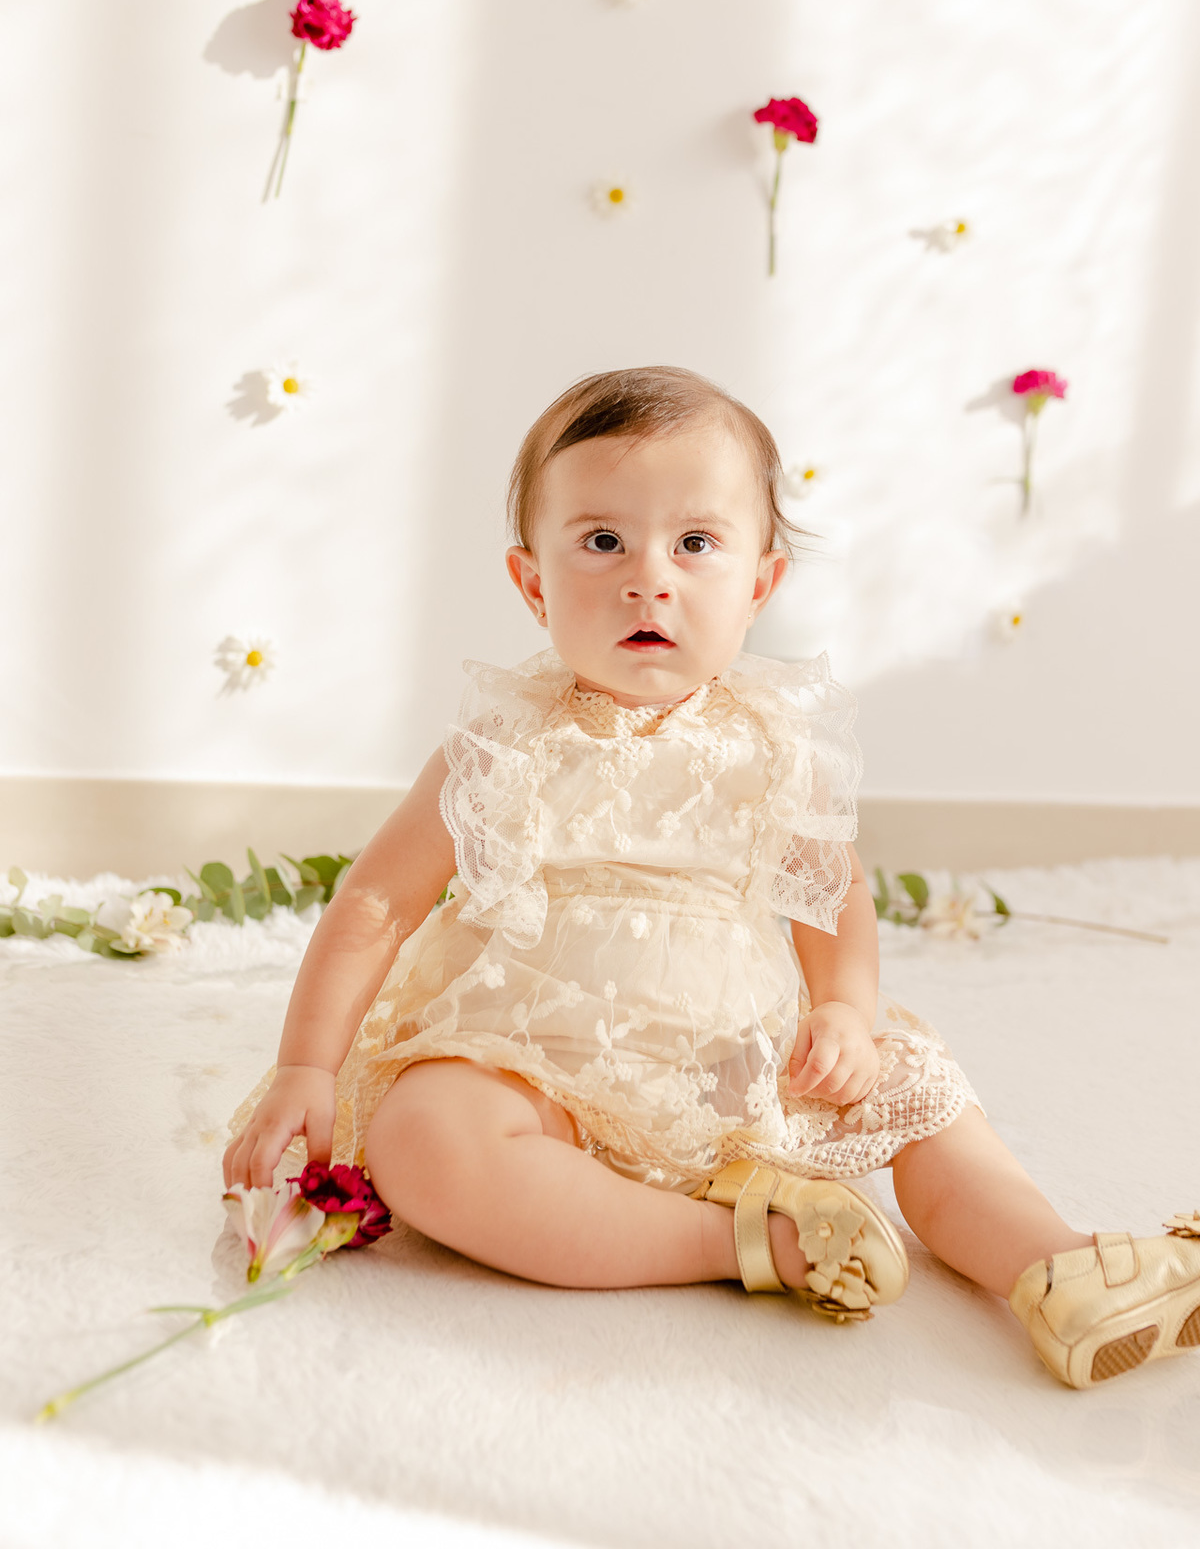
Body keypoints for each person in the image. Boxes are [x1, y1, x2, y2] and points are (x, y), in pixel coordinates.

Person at [224, 365, 1200, 1389]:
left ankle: (1055, 1269)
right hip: (539, 1063)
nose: (649, 580)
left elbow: (833, 895)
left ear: (759, 587)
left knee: (924, 1099)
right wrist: (307, 1068)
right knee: (428, 1140)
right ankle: (744, 1241)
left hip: (741, 1062)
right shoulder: (505, 742)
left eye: (695, 544)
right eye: (603, 542)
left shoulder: (772, 742)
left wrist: (845, 1012)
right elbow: (379, 901)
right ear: (533, 582)